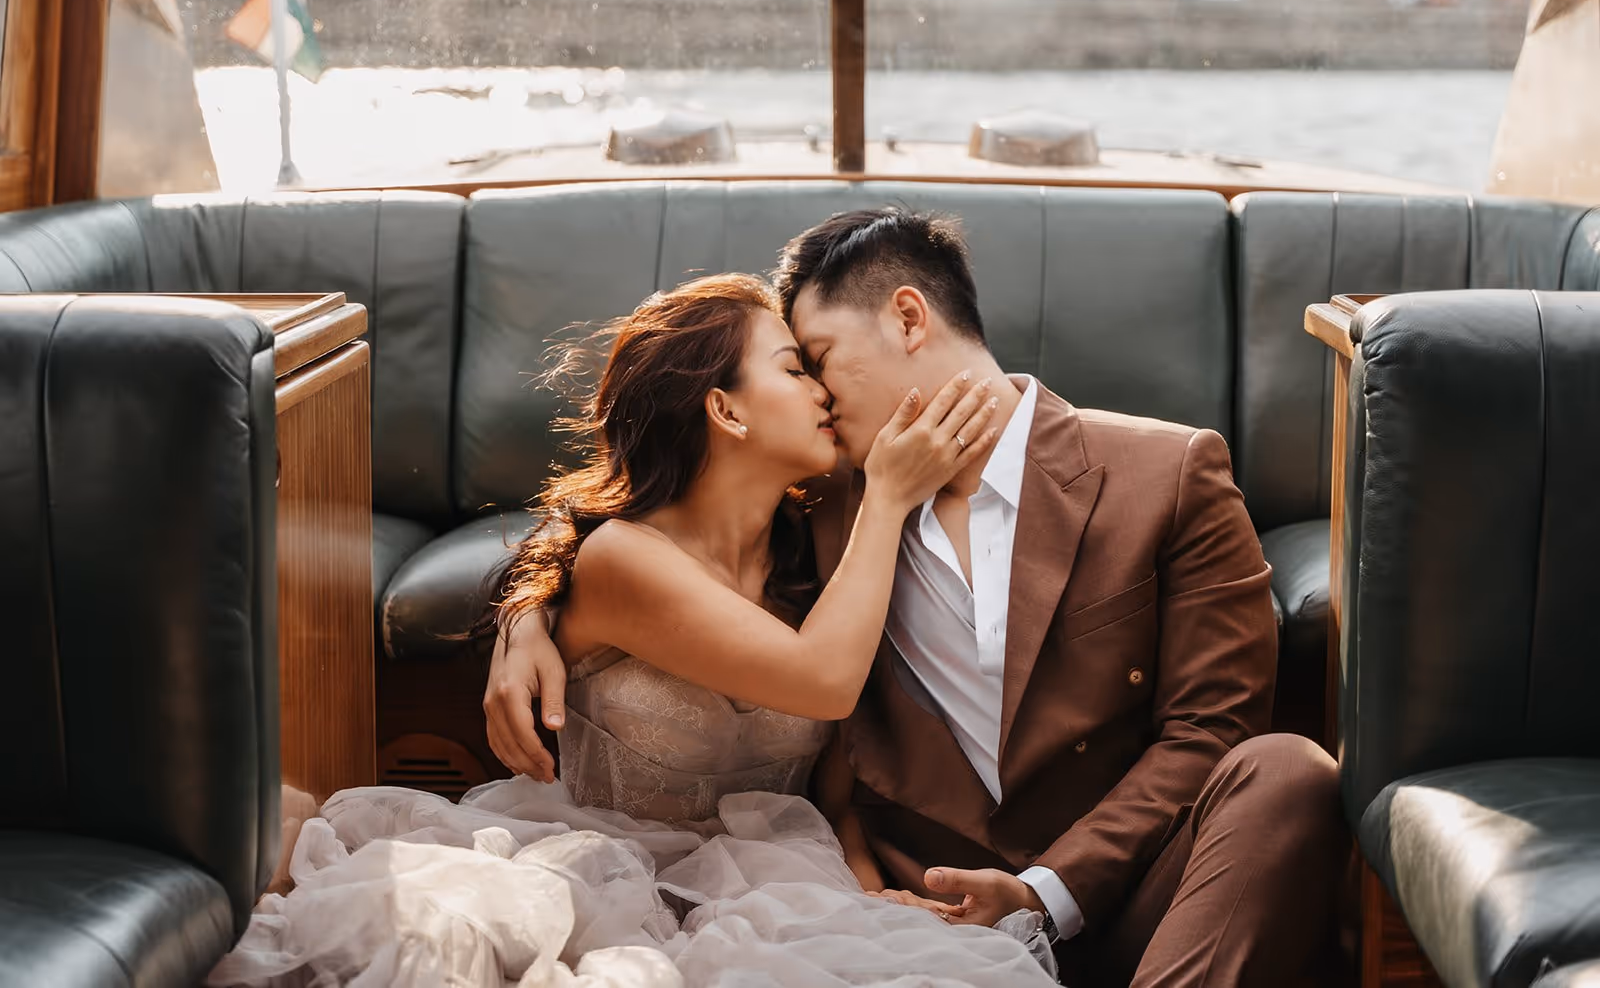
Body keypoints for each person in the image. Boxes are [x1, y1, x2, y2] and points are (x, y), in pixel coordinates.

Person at [486, 208, 1350, 988]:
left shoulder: (1167, 473)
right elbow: (639, 518)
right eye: (799, 373)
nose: (818, 395)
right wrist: (527, 610)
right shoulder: (824, 499)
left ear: (907, 316)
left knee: (1287, 773)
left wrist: (1045, 891)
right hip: (906, 921)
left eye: (819, 360)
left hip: (1130, 893)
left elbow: (1213, 729)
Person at [210, 273, 1058, 988]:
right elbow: (824, 680)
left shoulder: (820, 549)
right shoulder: (626, 559)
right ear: (725, 409)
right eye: (795, 369)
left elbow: (829, 797)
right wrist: (889, 496)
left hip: (771, 883)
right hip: (586, 873)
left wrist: (869, 899)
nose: (823, 391)